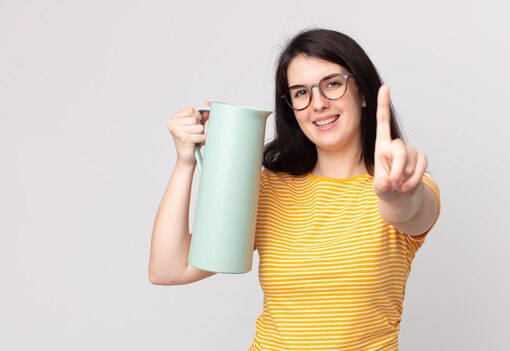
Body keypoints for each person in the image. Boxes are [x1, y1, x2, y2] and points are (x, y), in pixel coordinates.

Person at [149, 28, 441, 351]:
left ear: (362, 93)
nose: (318, 104)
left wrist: (395, 194)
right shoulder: (267, 190)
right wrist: (185, 162)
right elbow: (169, 269)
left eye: (332, 84)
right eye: (301, 93)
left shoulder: (406, 187)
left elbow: (410, 211)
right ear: (292, 107)